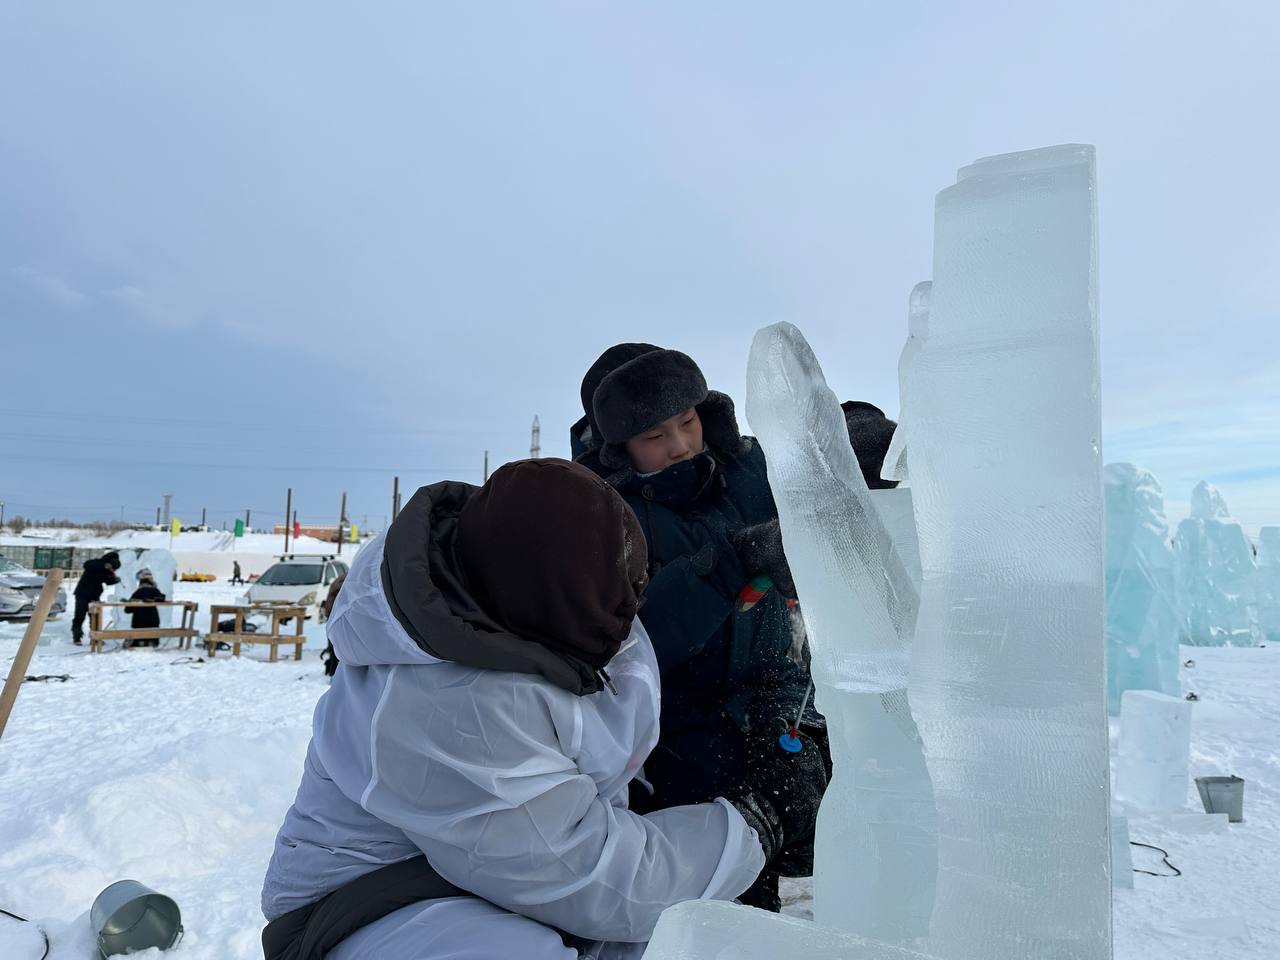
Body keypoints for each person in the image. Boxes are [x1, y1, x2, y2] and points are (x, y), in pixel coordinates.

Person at [260, 460, 771, 960]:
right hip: (367, 908)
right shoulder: (449, 705)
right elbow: (590, 877)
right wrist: (755, 826)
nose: (625, 621)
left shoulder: (521, 597)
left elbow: (623, 639)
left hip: (487, 872)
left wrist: (728, 569)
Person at [580, 346, 829, 912]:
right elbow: (626, 643)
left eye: (686, 422)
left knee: (764, 917)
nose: (679, 445)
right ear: (617, 446)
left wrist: (794, 729)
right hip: (668, 759)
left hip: (767, 717)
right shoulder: (597, 513)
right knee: (695, 920)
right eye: (653, 436)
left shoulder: (748, 472)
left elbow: (820, 477)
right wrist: (729, 565)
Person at [71, 551, 120, 645]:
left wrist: (115, 580)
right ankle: (76, 637)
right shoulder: (95, 563)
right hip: (82, 594)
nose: (112, 570)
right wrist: (103, 565)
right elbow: (86, 564)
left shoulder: (107, 571)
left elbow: (108, 581)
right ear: (109, 564)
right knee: (79, 616)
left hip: (95, 596)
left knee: (95, 617)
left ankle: (96, 638)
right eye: (112, 567)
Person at [123, 572, 166, 648]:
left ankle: (138, 643)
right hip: (153, 622)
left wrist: (137, 608)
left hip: (138, 623)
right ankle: (152, 643)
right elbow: (161, 599)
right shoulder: (155, 590)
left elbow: (127, 610)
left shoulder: (136, 592)